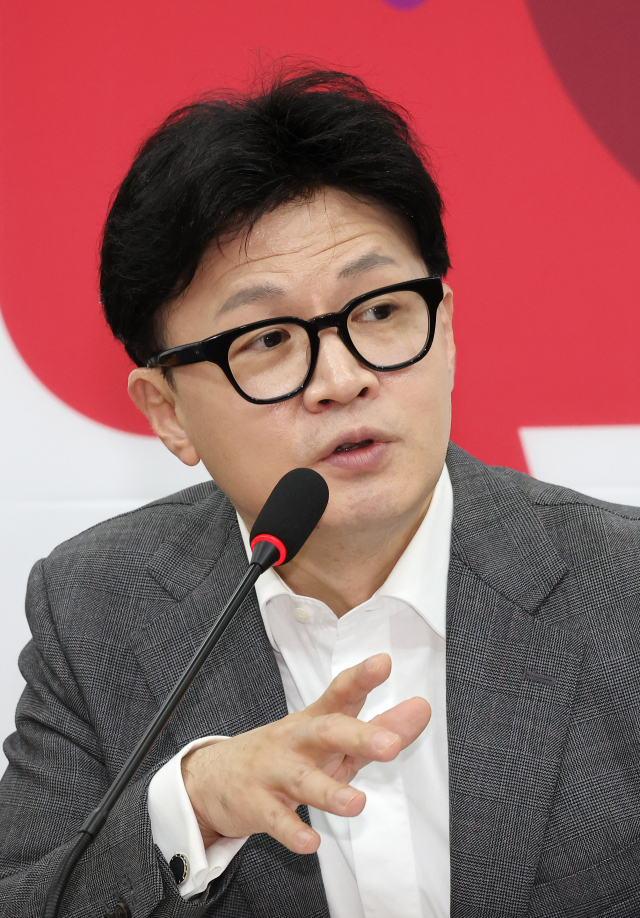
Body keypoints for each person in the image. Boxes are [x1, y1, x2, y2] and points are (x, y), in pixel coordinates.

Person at [1, 66, 639, 918]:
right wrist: (192, 807)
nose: (342, 379)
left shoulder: (623, 587)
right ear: (168, 412)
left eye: (379, 312)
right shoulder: (98, 610)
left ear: (446, 331)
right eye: (268, 339)